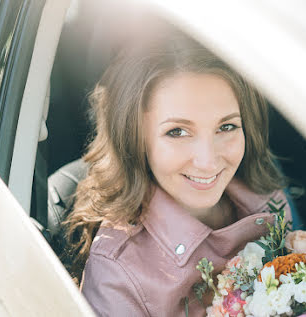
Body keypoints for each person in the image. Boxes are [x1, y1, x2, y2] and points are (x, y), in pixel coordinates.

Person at [62, 25, 292, 316]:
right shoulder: (117, 271)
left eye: (227, 127)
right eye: (178, 132)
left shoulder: (266, 197)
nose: (207, 161)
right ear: (136, 138)